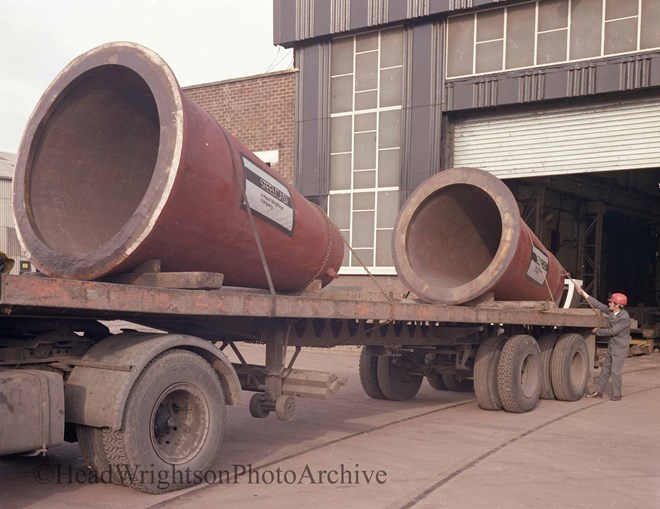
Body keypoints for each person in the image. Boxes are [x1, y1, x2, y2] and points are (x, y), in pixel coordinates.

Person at [576, 288, 631, 401]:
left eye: (611, 302)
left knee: (615, 372)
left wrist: (597, 331)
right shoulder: (612, 312)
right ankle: (598, 392)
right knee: (605, 369)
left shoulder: (624, 318)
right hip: (613, 345)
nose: (609, 303)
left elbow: (613, 331)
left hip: (620, 347)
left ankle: (617, 394)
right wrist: (584, 294)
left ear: (617, 305)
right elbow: (599, 305)